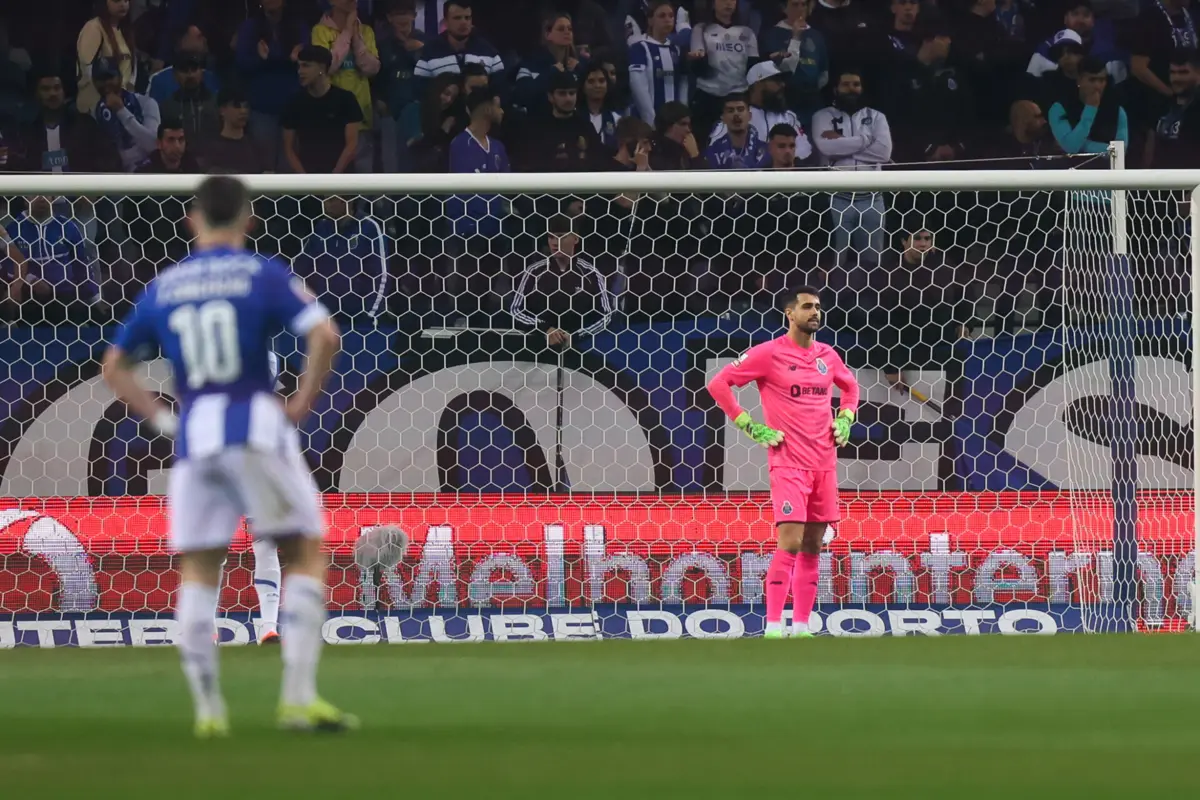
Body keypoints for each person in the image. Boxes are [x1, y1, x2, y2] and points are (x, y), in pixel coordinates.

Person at [101, 174, 350, 736]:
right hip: (255, 423)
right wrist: (302, 401)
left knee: (198, 570)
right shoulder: (261, 274)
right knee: (305, 550)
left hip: (194, 437)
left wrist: (164, 419)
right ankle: (297, 699)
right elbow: (325, 335)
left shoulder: (165, 285)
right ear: (248, 218)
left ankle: (210, 714)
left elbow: (114, 366)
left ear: (192, 219)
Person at [706, 286, 859, 639]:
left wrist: (846, 418)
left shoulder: (828, 355)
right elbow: (719, 383)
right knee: (789, 542)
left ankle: (802, 627)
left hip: (824, 464)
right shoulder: (769, 353)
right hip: (788, 462)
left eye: (818, 307)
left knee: (813, 547)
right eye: (807, 307)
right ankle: (774, 626)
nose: (815, 312)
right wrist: (747, 423)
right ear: (790, 314)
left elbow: (850, 389)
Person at [811, 68, 891, 270]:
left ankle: (871, 301)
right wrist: (866, 140)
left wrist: (842, 147)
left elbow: (884, 153)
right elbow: (825, 147)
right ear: (836, 89)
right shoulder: (822, 116)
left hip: (873, 198)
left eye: (856, 84)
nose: (851, 89)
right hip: (836, 197)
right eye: (846, 84)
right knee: (834, 263)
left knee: (873, 264)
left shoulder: (877, 117)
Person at [511, 214, 616, 349]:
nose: (555, 242)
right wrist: (545, 329)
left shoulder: (590, 273)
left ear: (575, 238)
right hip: (537, 349)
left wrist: (577, 335)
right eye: (551, 237)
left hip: (581, 350)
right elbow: (516, 310)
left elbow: (606, 315)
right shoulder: (534, 271)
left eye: (561, 236)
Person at [234, 0, 310, 172]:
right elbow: (242, 63)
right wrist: (265, 59)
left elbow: (306, 61)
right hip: (262, 107)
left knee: (290, 169)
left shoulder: (298, 26)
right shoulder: (250, 27)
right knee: (264, 168)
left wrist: (274, 59)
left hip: (293, 107)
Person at [5, 194, 100, 325]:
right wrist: (31, 280)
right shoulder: (13, 229)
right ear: (25, 199)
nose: (41, 198)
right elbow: (7, 265)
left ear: (53, 198)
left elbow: (81, 264)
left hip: (65, 296)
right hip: (29, 297)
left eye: (46, 194)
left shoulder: (67, 227)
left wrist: (95, 297)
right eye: (35, 195)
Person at [293, 195, 390, 320]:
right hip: (324, 316)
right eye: (324, 200)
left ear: (348, 200)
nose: (326, 204)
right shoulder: (321, 228)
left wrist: (371, 313)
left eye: (331, 200)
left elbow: (380, 274)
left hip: (359, 319)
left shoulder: (369, 228)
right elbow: (299, 268)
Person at [313, 0, 381, 173]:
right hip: (332, 115)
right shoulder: (320, 31)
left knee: (363, 179)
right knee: (335, 175)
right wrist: (347, 32)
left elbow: (372, 69)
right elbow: (327, 66)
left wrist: (357, 38)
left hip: (362, 114)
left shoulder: (366, 31)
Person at [10, 67, 119, 173]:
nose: (52, 93)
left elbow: (108, 161)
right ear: (37, 94)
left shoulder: (85, 126)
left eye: (57, 88)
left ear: (63, 92)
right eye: (46, 89)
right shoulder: (26, 133)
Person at [281, 45, 364, 174]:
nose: (300, 71)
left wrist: (333, 179)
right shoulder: (294, 102)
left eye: (306, 66)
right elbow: (289, 149)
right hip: (307, 179)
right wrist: (306, 180)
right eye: (299, 66)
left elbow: (352, 145)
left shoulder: (346, 99)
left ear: (322, 68)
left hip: (341, 178)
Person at [689, 0, 759, 143]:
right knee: (704, 141)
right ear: (713, 3)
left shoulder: (747, 32)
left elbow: (753, 66)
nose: (728, 3)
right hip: (708, 95)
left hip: (739, 94)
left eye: (732, 0)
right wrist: (697, 60)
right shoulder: (701, 29)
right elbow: (699, 69)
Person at [708, 62, 810, 157]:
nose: (782, 84)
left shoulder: (788, 116)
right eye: (776, 80)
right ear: (758, 84)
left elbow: (805, 149)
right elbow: (715, 149)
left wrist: (777, 157)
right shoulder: (738, 115)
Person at [513, 70, 604, 172]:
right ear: (550, 97)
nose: (568, 98)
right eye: (562, 93)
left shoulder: (586, 127)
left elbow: (599, 162)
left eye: (572, 93)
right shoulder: (535, 129)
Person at [759, 0, 828, 130]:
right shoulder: (772, 34)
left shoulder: (817, 35)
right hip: (786, 98)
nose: (800, 9)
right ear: (784, 8)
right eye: (795, 5)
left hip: (812, 99)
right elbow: (785, 68)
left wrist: (813, 90)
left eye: (804, 5)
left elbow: (824, 70)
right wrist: (795, 37)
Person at [414, 1, 505, 97]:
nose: (463, 22)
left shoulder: (489, 51)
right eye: (457, 18)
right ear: (446, 22)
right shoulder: (430, 52)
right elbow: (420, 92)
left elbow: (501, 91)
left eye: (467, 18)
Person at [376, 0, 425, 172]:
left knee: (420, 162)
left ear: (414, 15)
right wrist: (379, 99)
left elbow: (434, 76)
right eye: (398, 14)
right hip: (391, 113)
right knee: (393, 163)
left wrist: (420, 52)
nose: (403, 19)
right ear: (389, 17)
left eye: (406, 13)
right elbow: (376, 78)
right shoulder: (382, 44)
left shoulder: (426, 42)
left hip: (421, 112)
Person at [89, 56, 161, 172]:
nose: (106, 83)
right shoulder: (95, 112)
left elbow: (154, 146)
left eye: (110, 77)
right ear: (94, 82)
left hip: (149, 174)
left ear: (120, 77)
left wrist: (121, 111)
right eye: (101, 79)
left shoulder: (146, 103)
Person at [1048, 56, 1129, 155]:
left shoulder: (1117, 110)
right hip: (1070, 168)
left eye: (1101, 80)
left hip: (1106, 168)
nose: (1097, 86)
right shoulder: (1059, 108)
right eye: (1092, 80)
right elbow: (1071, 147)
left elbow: (1120, 151)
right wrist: (1090, 109)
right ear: (1079, 80)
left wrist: (1083, 146)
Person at [513, 12, 587, 116]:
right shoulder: (532, 63)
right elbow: (521, 95)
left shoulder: (581, 63)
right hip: (539, 122)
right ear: (548, 35)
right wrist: (550, 74)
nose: (567, 32)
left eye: (570, 29)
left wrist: (580, 70)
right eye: (561, 29)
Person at [628, 0, 689, 126]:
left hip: (674, 123)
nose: (668, 19)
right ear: (650, 20)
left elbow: (683, 83)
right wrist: (650, 120)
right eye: (662, 16)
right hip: (647, 122)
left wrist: (682, 115)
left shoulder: (677, 49)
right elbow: (638, 87)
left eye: (671, 16)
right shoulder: (640, 47)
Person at [76, 0, 136, 115]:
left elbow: (130, 72)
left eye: (126, 0)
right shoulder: (93, 27)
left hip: (121, 105)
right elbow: (87, 69)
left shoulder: (125, 30)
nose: (123, 4)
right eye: (116, 0)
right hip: (97, 106)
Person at [1145, 51, 1200, 168]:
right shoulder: (1161, 105)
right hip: (1161, 180)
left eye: (1183, 73)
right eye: (1173, 73)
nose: (1176, 78)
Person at [196, 88, 268, 174]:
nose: (243, 111)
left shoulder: (257, 146)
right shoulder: (211, 149)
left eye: (246, 106)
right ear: (222, 110)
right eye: (236, 106)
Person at [147, 23, 220, 104]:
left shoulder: (211, 78)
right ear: (182, 41)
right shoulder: (159, 80)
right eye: (199, 36)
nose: (205, 40)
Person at [158, 52, 220, 144]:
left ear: (201, 72)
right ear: (175, 75)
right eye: (184, 70)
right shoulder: (166, 107)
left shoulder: (217, 103)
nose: (190, 75)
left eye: (194, 69)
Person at [704, 93, 768, 169]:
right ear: (723, 118)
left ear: (749, 116)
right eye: (730, 111)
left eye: (740, 109)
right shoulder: (713, 151)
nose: (736, 114)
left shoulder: (765, 150)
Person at [648, 100, 703, 170]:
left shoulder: (687, 150)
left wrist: (695, 155)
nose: (688, 130)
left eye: (689, 125)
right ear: (668, 125)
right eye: (683, 124)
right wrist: (695, 158)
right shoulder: (653, 152)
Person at [580, 62, 622, 152]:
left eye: (601, 81)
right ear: (583, 86)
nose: (597, 85)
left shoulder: (617, 119)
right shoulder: (575, 118)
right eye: (591, 81)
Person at [134, 119, 200, 174]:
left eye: (181, 139)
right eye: (171, 140)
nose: (177, 146)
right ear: (159, 144)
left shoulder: (191, 164)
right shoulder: (145, 172)